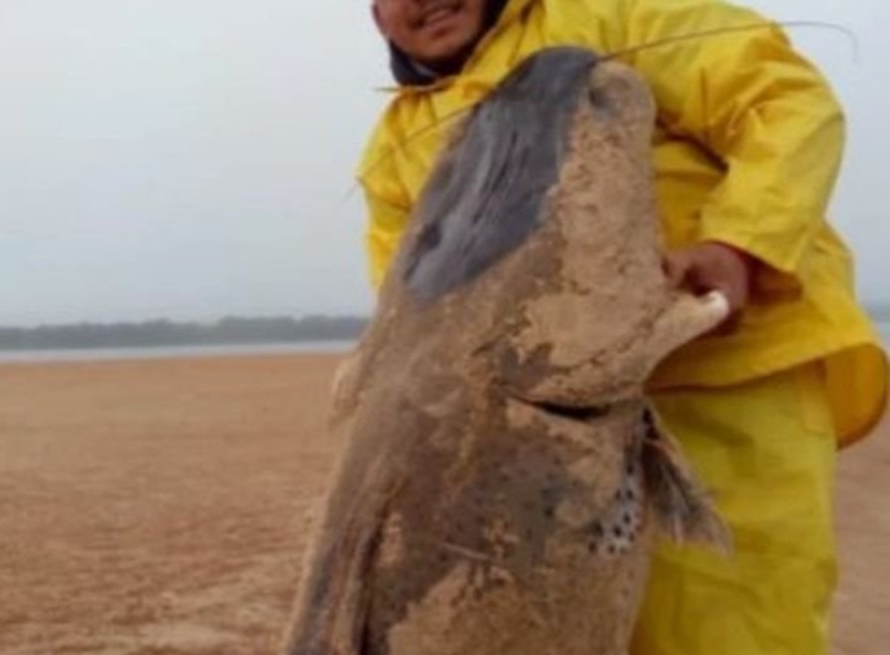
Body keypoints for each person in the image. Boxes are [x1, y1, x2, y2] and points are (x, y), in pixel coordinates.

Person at [358, 0, 888, 653]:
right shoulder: (390, 150)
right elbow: (406, 309)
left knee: (732, 627)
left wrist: (743, 242)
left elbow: (785, 103)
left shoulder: (606, 14)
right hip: (529, 443)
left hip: (723, 376)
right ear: (378, 17)